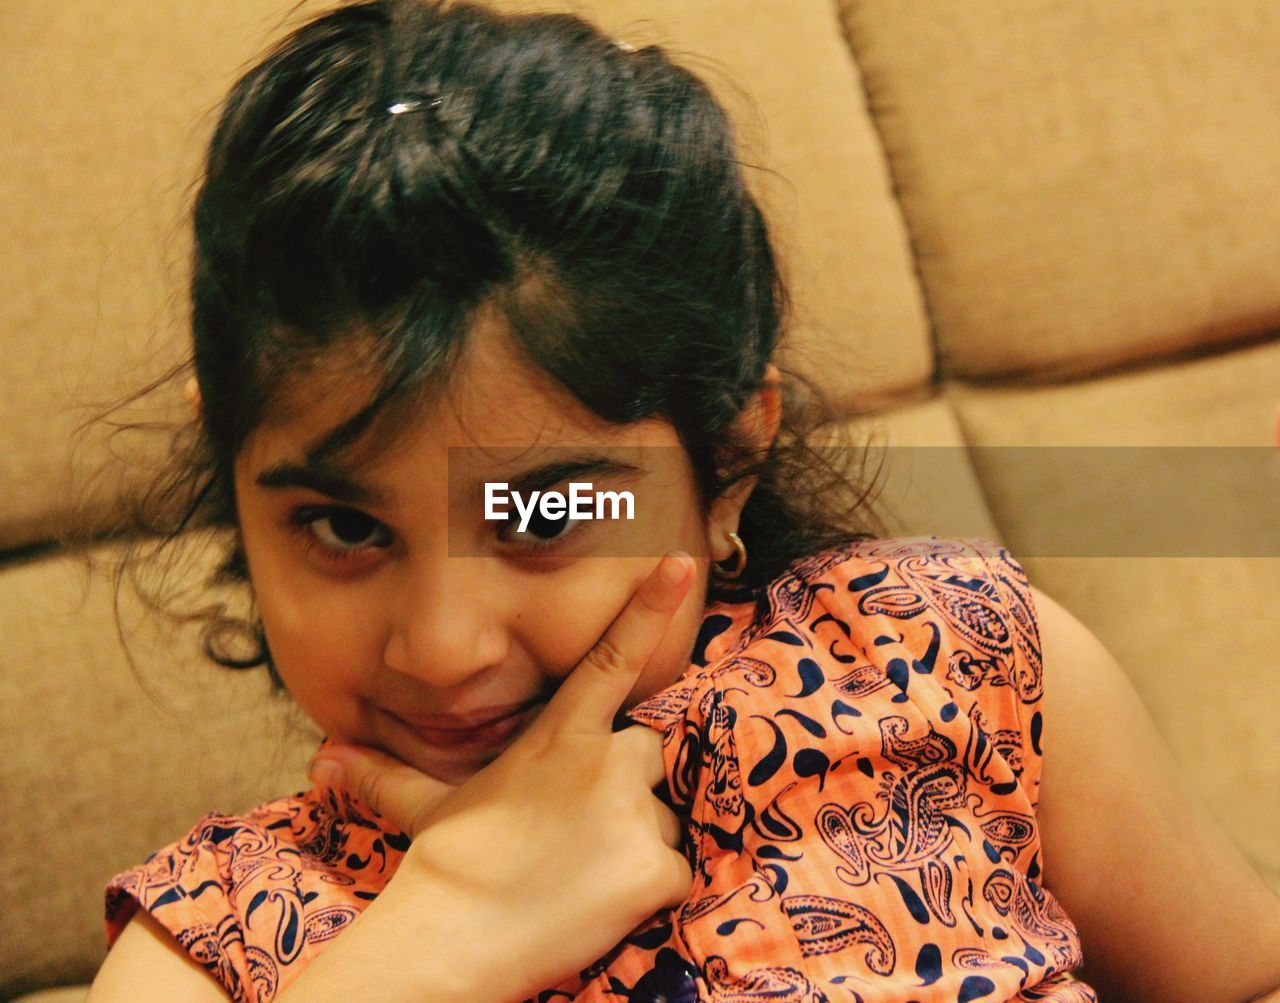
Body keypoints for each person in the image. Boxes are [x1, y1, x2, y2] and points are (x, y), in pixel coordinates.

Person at [86, 1, 1280, 1001]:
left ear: (725, 459)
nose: (444, 648)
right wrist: (437, 934)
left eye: (543, 515)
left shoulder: (941, 650)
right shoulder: (215, 934)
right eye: (345, 528)